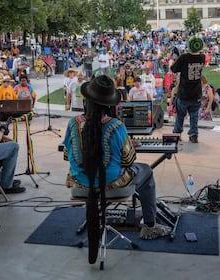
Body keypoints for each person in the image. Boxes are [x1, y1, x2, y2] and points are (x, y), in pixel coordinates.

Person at [62, 75, 171, 240]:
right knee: (146, 170)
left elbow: (66, 155)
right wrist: (127, 145)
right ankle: (150, 226)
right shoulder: (116, 126)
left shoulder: (72, 123)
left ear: (87, 101)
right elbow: (128, 161)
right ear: (110, 105)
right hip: (112, 184)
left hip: (80, 183)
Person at [170, 37, 206, 143]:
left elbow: (174, 69)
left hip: (184, 92)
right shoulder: (202, 57)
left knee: (180, 115)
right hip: (196, 92)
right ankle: (193, 135)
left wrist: (176, 59)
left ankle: (177, 134)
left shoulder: (184, 57)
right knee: (194, 116)